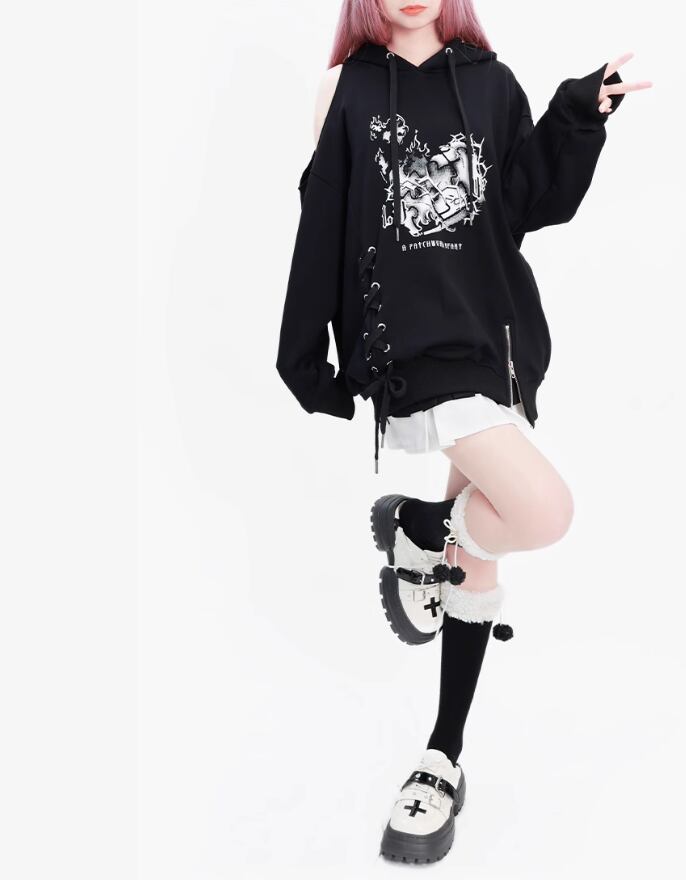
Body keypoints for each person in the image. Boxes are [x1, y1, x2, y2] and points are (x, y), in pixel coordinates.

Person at [276, 0, 651, 864]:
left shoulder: (491, 85)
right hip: (411, 349)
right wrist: (303, 355)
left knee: (478, 556)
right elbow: (322, 225)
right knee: (544, 512)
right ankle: (419, 531)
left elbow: (523, 206)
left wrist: (577, 114)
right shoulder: (345, 91)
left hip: (495, 339)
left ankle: (442, 754)